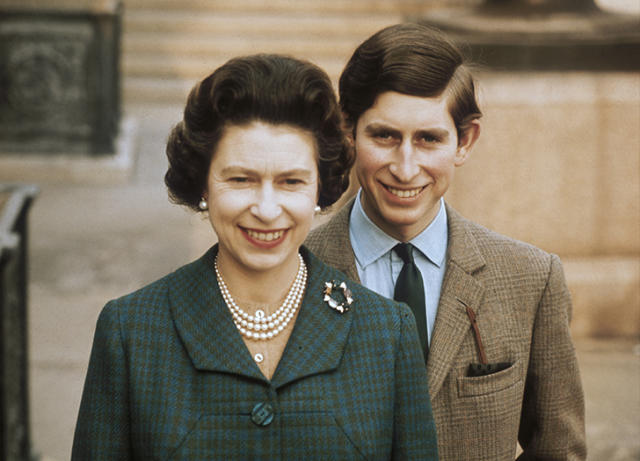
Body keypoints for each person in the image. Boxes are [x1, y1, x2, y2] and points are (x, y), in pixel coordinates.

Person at [71, 54, 438, 460]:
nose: (266, 208)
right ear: (203, 185)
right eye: (241, 179)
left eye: (291, 182)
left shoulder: (387, 333)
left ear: (320, 190)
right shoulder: (131, 331)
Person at [306, 23, 586, 461]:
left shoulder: (532, 278)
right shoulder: (295, 272)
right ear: (348, 132)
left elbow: (558, 449)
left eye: (428, 139)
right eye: (384, 136)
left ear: (465, 140)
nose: (405, 167)